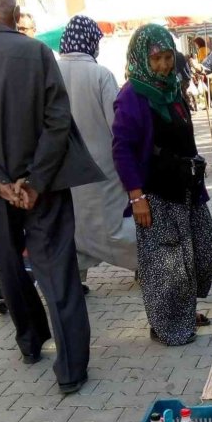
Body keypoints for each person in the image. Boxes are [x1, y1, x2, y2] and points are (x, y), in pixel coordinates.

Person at [0, 0, 102, 393]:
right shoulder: (37, 53)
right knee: (58, 270)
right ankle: (71, 369)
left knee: (10, 267)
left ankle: (31, 342)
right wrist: (33, 181)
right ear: (16, 12)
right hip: (45, 186)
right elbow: (58, 121)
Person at [112, 24, 212, 345]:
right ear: (143, 58)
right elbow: (122, 149)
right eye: (156, 59)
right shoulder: (131, 96)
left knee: (199, 249)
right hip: (155, 194)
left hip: (186, 188)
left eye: (168, 57)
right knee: (165, 262)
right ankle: (165, 324)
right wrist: (136, 196)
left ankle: (183, 310)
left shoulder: (173, 89)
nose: (164, 65)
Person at [57, 14, 137, 277]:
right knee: (112, 225)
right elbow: (117, 124)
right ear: (92, 41)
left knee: (77, 224)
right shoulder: (100, 74)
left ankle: (74, 276)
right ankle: (145, 260)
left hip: (63, 166)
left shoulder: (51, 71)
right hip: (101, 166)